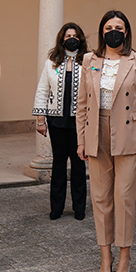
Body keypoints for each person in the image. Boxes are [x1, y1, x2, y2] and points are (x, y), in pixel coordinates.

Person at [76, 10, 136, 272]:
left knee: (123, 198)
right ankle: (105, 256)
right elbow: (83, 103)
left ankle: (124, 256)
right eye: (109, 27)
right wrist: (81, 140)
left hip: (129, 134)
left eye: (118, 27)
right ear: (102, 31)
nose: (114, 31)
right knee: (100, 199)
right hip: (96, 132)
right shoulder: (89, 59)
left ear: (127, 31)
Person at [33, 22, 88, 221]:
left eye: (74, 35)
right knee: (58, 165)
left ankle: (79, 208)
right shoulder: (52, 61)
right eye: (67, 35)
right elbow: (42, 90)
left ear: (80, 39)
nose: (70, 38)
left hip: (80, 122)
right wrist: (40, 119)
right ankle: (56, 208)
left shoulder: (88, 62)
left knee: (79, 165)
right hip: (56, 121)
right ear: (61, 39)